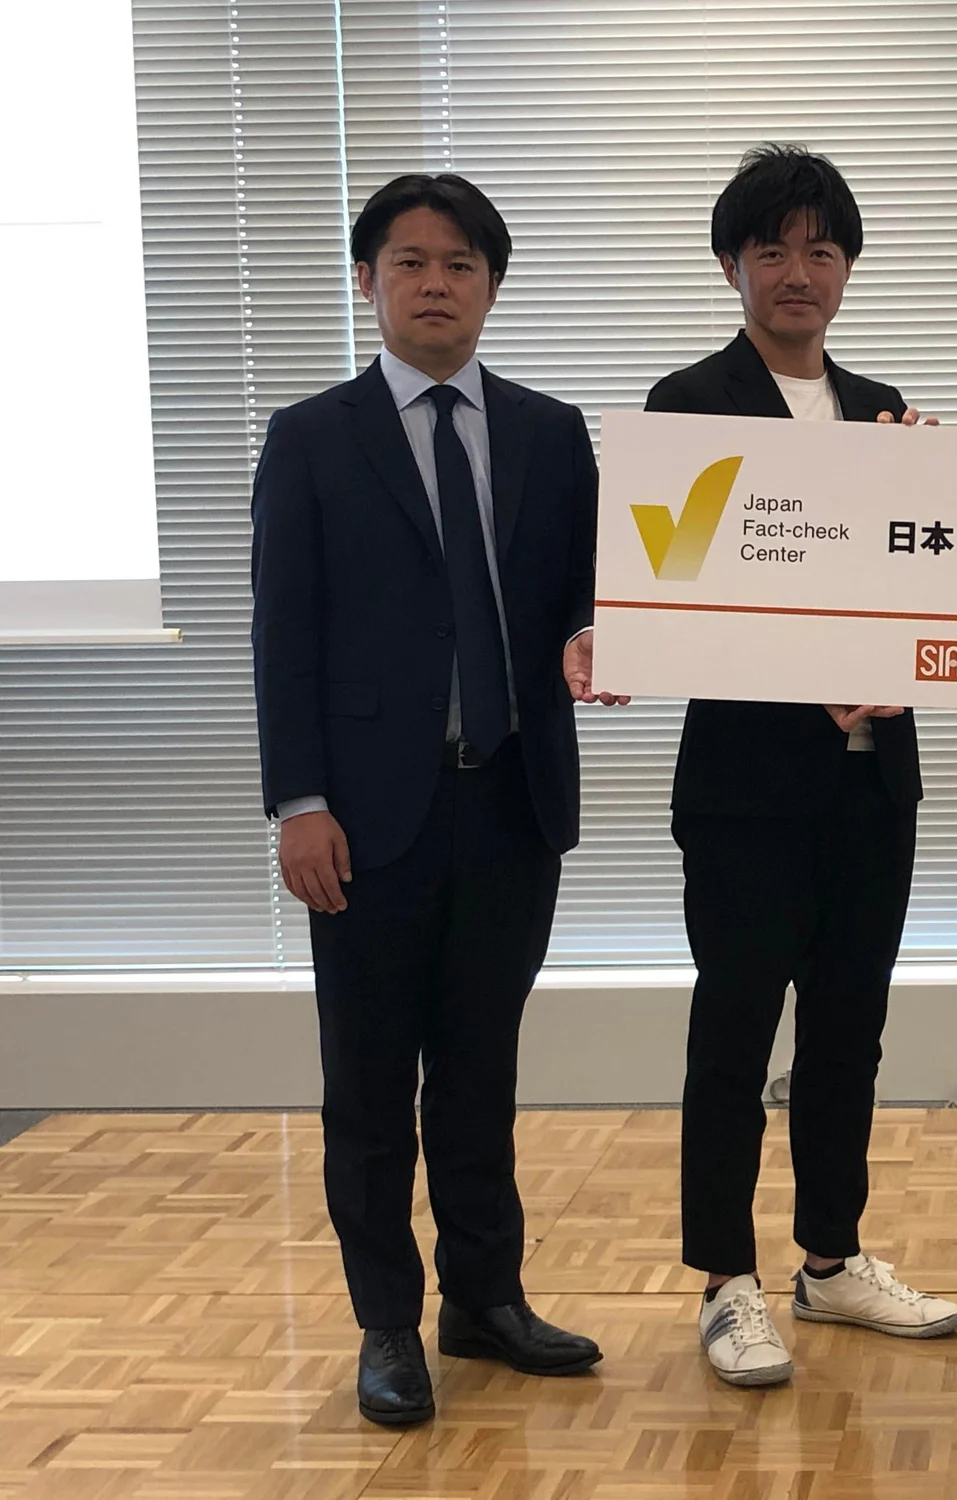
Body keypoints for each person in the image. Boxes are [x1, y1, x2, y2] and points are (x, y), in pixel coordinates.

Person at [252, 173, 624, 1426]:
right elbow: (282, 634)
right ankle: (384, 1325)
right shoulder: (310, 436)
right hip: (363, 819)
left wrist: (594, 638)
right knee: (367, 1086)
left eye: (459, 264)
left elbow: (587, 591)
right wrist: (298, 799)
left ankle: (484, 1297)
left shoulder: (546, 430)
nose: (433, 284)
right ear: (369, 281)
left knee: (479, 1071)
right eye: (408, 262)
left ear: (492, 286)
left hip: (511, 802)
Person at [643, 145, 957, 1388]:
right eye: (771, 248)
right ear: (732, 264)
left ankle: (830, 1259)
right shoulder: (688, 405)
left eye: (820, 249)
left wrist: (942, 497)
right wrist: (799, 674)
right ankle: (725, 1279)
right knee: (733, 1029)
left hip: (872, 782)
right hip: (744, 787)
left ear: (847, 270)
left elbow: (931, 587)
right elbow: (679, 599)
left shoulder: (886, 409)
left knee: (850, 1027)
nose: (797, 272)